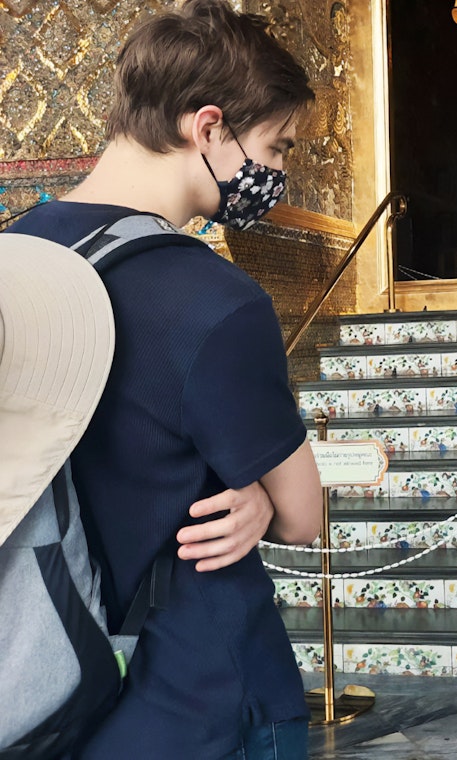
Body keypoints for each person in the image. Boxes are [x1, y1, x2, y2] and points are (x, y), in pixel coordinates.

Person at [5, 2, 323, 757]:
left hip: (41, 684)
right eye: (275, 148)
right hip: (199, 695)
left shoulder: (15, 251)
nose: (275, 175)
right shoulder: (215, 301)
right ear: (207, 127)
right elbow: (305, 515)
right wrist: (255, 495)